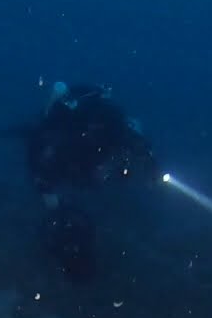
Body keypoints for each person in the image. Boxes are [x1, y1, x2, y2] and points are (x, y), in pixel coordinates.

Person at [16, 82, 161, 281]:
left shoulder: (113, 133)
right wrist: (53, 202)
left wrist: (150, 164)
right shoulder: (60, 143)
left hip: (82, 156)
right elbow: (40, 164)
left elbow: (137, 144)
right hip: (67, 155)